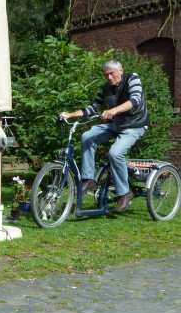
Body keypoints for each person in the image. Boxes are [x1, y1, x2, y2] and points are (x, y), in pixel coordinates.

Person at [60, 60, 149, 213]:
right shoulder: (106, 88)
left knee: (115, 153)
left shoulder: (132, 78)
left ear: (121, 70)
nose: (108, 77)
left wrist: (114, 110)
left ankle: (125, 193)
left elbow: (135, 100)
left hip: (134, 125)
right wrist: (71, 114)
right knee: (87, 136)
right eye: (106, 74)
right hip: (115, 124)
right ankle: (89, 179)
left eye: (111, 73)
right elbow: (94, 107)